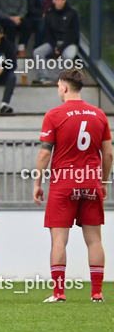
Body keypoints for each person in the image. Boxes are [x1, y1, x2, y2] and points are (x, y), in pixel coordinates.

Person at [34, 69, 112, 302]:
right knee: (94, 239)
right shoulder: (99, 114)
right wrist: (103, 181)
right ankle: (97, 293)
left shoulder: (55, 114)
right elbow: (108, 153)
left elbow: (45, 154)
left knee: (59, 239)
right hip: (90, 181)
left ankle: (59, 293)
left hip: (64, 182)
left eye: (58, 86)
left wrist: (37, 182)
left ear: (64, 87)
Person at [33, 0, 80, 84]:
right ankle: (43, 76)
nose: (60, 2)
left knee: (67, 56)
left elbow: (74, 34)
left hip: (69, 43)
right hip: (53, 42)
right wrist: (54, 46)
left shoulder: (73, 13)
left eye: (63, 0)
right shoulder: (49, 13)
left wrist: (62, 47)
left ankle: (58, 78)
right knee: (37, 52)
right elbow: (48, 32)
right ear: (53, 0)